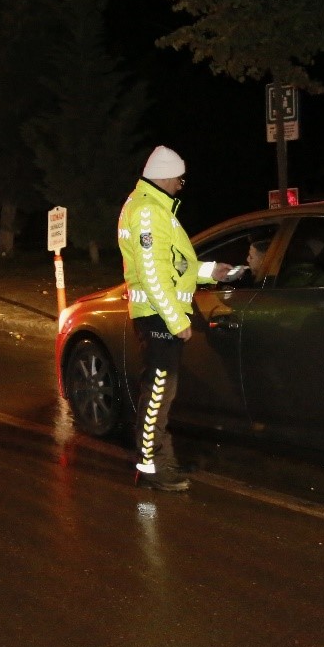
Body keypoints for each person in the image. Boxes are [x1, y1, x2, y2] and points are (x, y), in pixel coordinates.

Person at [117, 145, 236, 492]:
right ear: (167, 176)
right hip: (157, 317)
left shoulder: (151, 208)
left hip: (158, 316)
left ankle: (158, 459)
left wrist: (212, 271)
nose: (179, 186)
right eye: (179, 181)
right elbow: (153, 273)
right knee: (157, 394)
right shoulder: (148, 212)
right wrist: (175, 320)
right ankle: (152, 467)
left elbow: (175, 265)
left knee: (161, 393)